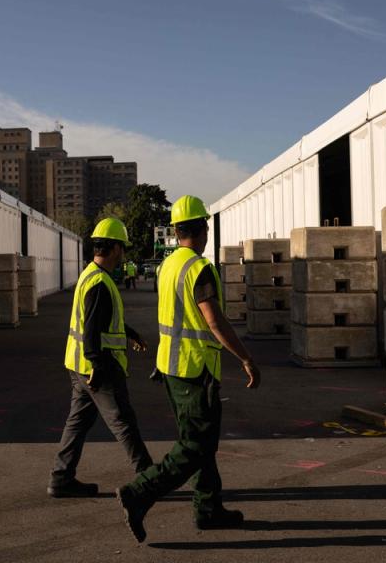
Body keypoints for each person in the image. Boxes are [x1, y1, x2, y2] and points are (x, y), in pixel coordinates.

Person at [115, 195, 262, 542]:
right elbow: (214, 321)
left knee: (200, 443)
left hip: (170, 368)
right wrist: (245, 357)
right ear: (202, 230)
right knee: (195, 447)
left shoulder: (168, 265)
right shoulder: (199, 269)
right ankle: (139, 492)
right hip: (194, 370)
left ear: (177, 230)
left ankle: (208, 509)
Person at [48, 217, 154, 498]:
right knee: (123, 420)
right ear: (116, 248)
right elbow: (92, 328)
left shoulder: (91, 275)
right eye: (123, 248)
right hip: (97, 367)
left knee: (78, 422)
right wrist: (97, 363)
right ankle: (150, 478)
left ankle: (61, 477)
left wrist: (129, 333)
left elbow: (100, 321)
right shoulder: (100, 283)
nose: (124, 254)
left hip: (78, 366)